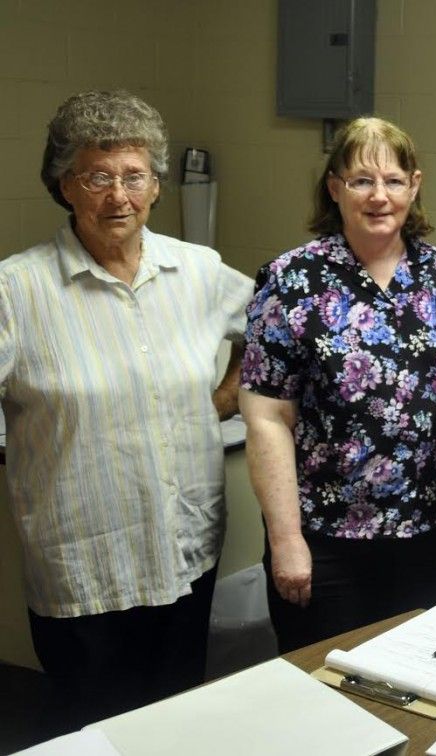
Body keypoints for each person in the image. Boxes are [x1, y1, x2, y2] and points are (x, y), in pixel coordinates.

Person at [0, 90, 254, 725]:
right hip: (82, 566)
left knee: (175, 723)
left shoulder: (197, 271)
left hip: (183, 552)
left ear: (157, 185)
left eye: (134, 176)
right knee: (94, 731)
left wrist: (222, 397)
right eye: (97, 176)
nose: (119, 197)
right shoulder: (18, 289)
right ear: (64, 185)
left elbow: (274, 332)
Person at [240, 117, 436, 654]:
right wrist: (286, 539)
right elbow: (267, 419)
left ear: (415, 186)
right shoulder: (292, 280)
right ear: (334, 188)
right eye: (361, 180)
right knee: (328, 694)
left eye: (393, 181)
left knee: (425, 687)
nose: (379, 196)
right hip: (330, 542)